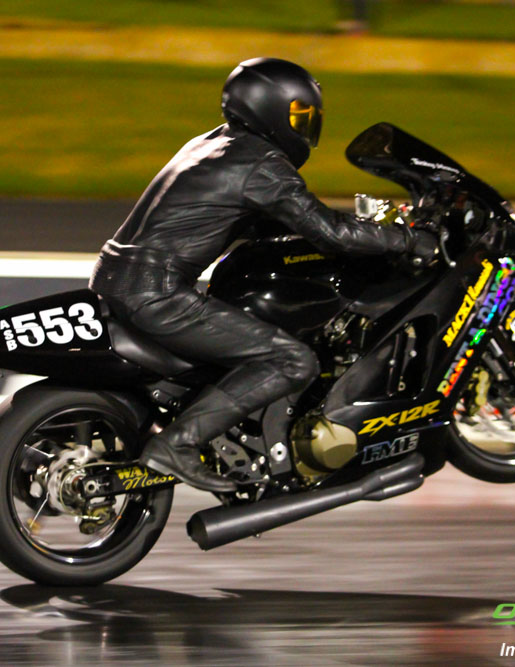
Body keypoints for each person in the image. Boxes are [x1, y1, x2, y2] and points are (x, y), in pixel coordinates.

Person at [90, 57, 437, 492]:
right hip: (156, 295)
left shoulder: (212, 143)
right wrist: (407, 239)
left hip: (117, 277)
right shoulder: (261, 163)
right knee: (293, 360)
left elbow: (257, 219)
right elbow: (328, 231)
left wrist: (347, 230)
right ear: (271, 108)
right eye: (300, 115)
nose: (305, 127)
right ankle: (178, 443)